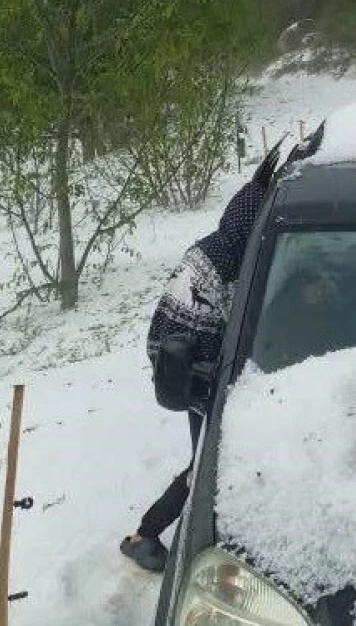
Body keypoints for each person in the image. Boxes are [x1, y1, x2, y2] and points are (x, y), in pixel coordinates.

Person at [119, 146, 281, 572]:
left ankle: (146, 533)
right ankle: (144, 536)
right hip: (197, 373)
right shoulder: (231, 263)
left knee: (205, 460)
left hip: (183, 366)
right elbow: (235, 323)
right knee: (207, 466)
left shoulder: (211, 246)